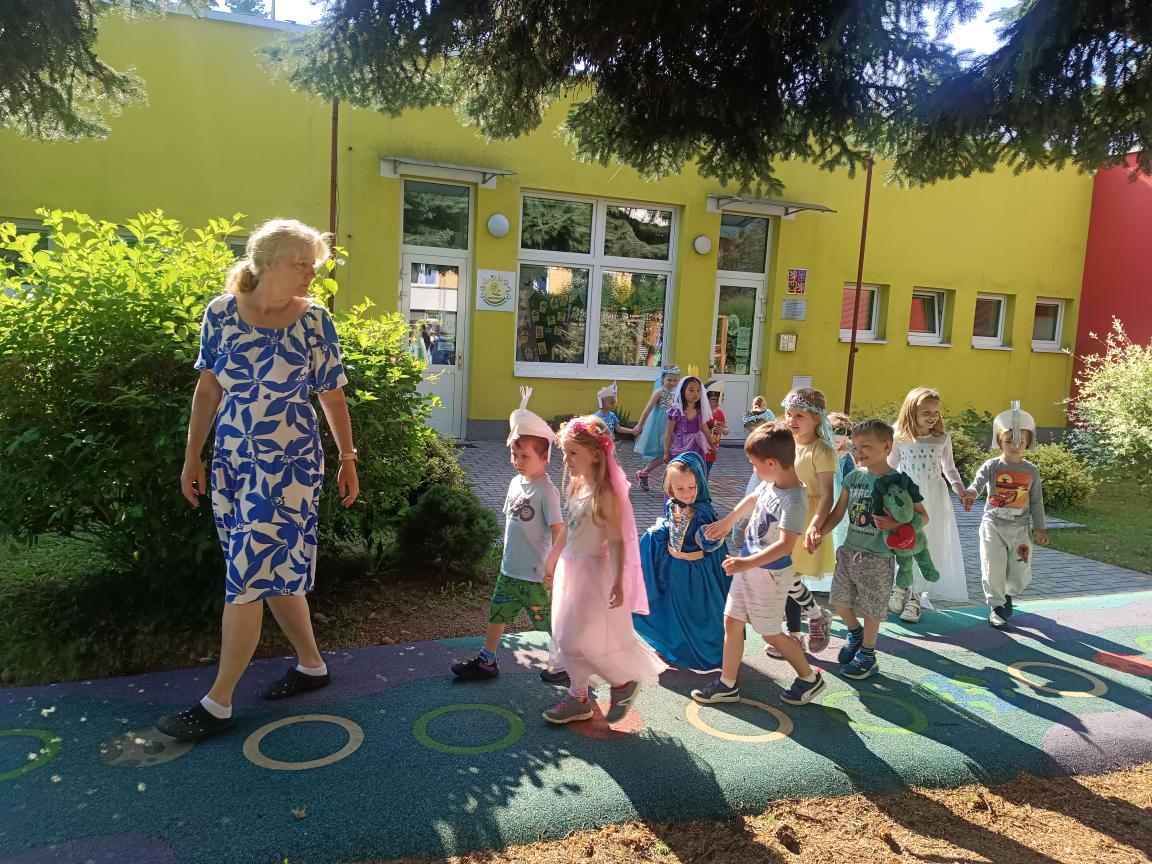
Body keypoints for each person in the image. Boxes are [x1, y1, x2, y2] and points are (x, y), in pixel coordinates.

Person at [156, 219, 359, 741]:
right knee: (266, 567)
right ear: (266, 263)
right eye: (301, 263)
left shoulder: (314, 321)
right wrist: (192, 457)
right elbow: (208, 389)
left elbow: (332, 394)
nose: (311, 273)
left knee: (249, 572)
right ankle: (312, 665)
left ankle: (218, 701)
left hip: (290, 465)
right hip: (234, 460)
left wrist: (348, 457)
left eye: (313, 264)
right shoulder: (220, 313)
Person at [690, 425, 827, 706]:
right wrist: (728, 521)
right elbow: (754, 498)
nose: (753, 470)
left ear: (772, 463)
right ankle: (728, 684)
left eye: (755, 465)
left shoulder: (794, 500)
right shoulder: (771, 483)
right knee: (732, 621)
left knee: (771, 633)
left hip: (770, 576)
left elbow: (785, 545)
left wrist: (746, 562)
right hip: (749, 570)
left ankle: (809, 678)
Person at [543, 415, 666, 724]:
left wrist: (617, 581)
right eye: (565, 453)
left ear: (596, 455)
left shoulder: (605, 494)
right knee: (566, 635)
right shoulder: (577, 485)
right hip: (571, 570)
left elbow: (616, 540)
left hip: (591, 576)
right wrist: (553, 556)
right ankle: (579, 697)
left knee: (580, 639)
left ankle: (622, 684)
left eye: (573, 453)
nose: (566, 460)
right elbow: (569, 527)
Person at [451, 387, 568, 683]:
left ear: (545, 457)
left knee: (548, 621)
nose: (518, 461)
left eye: (525, 456)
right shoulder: (515, 483)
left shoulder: (547, 491)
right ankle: (487, 660)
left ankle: (566, 663)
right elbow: (512, 524)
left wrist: (553, 565)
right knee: (497, 614)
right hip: (509, 571)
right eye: (514, 454)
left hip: (535, 576)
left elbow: (560, 530)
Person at [820, 419, 929, 680]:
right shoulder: (854, 477)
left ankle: (868, 655)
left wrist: (894, 523)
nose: (859, 452)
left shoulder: (900, 481)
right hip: (849, 552)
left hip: (879, 558)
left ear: (887, 446)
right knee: (839, 602)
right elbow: (838, 512)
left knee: (872, 609)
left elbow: (923, 517)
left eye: (866, 446)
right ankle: (855, 633)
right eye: (856, 447)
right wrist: (818, 533)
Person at [634, 452, 730, 672]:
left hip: (697, 573)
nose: (686, 493)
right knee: (673, 609)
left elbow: (710, 540)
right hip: (674, 567)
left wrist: (709, 537)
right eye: (680, 488)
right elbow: (673, 527)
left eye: (692, 487)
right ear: (670, 488)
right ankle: (673, 646)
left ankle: (706, 653)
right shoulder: (671, 504)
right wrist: (659, 532)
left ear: (700, 483)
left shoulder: (704, 512)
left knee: (697, 613)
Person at [960, 402, 1049, 628]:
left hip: (1020, 529)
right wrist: (970, 493)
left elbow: (1036, 501)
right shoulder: (993, 465)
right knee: (993, 567)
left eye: (1020, 441)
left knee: (1019, 571)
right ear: (999, 440)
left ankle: (1008, 593)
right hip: (993, 526)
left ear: (1028, 442)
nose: (1015, 445)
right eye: (1009, 440)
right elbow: (977, 483)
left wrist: (1040, 528)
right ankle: (996, 607)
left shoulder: (1031, 471)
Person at [888, 387, 969, 622]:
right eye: (926, 412)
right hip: (908, 499)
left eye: (936, 412)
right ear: (911, 411)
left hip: (934, 497)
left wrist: (960, 489)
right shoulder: (899, 437)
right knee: (906, 541)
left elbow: (949, 468)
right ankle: (901, 587)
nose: (933, 417)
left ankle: (916, 597)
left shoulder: (942, 438)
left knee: (929, 543)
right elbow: (890, 467)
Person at [777, 388, 836, 652]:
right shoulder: (784, 444)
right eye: (789, 414)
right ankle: (803, 626)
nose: (792, 420)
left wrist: (815, 525)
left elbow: (827, 494)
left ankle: (799, 630)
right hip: (783, 513)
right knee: (785, 576)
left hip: (805, 516)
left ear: (816, 418)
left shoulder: (821, 450)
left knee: (789, 575)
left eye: (799, 415)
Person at [633, 365, 681, 491]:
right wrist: (640, 424)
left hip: (675, 425)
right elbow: (648, 409)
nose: (672, 383)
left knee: (673, 453)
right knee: (663, 454)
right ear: (663, 378)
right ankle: (644, 473)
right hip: (661, 426)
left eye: (675, 380)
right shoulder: (659, 392)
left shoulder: (679, 392)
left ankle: (669, 480)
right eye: (669, 380)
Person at [663, 375, 713, 464]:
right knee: (681, 469)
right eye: (691, 390)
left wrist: (711, 444)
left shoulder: (699, 410)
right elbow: (669, 433)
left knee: (696, 469)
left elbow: (704, 427)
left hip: (697, 445)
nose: (695, 394)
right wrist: (666, 452)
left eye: (698, 390)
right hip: (680, 447)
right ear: (683, 391)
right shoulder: (676, 411)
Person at [827, 412, 855, 553]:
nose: (839, 436)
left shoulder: (846, 457)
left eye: (846, 432)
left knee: (838, 533)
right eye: (836, 431)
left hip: (840, 500)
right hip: (822, 498)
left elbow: (851, 481)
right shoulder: (820, 453)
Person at [703, 380, 730, 476]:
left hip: (712, 450)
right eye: (714, 399)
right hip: (701, 450)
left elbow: (727, 431)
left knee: (706, 474)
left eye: (720, 399)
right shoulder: (701, 413)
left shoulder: (719, 413)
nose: (717, 402)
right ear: (705, 398)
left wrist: (722, 430)